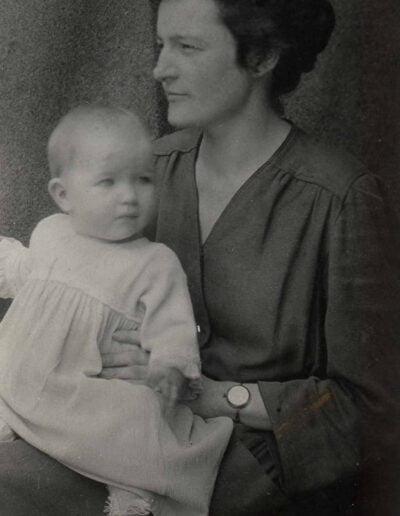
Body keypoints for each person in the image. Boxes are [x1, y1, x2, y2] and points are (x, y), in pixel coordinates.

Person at [0, 0, 398, 515]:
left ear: (261, 57)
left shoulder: (339, 197)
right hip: (109, 432)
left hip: (241, 466)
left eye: (187, 47)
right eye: (161, 45)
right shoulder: (147, 173)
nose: (160, 68)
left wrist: (218, 396)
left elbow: (373, 412)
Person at [0, 105, 233, 516]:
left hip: (89, 389)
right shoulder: (51, 232)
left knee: (129, 427)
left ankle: (132, 492)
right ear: (63, 195)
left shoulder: (154, 262)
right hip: (26, 373)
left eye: (142, 180)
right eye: (107, 182)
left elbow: (172, 325)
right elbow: (20, 270)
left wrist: (170, 364)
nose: (128, 197)